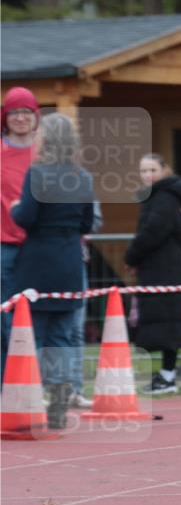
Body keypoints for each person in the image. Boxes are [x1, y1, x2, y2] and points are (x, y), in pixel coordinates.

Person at [10, 113, 94, 429]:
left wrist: (15, 207)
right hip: (70, 260)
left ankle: (32, 398)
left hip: (39, 260)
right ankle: (59, 402)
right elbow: (87, 222)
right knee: (61, 335)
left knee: (33, 333)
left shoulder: (38, 173)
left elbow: (27, 217)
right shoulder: (82, 176)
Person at [125, 154, 181, 394]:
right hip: (157, 267)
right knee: (163, 324)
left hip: (164, 269)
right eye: (143, 171)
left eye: (152, 170)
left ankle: (167, 376)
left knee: (168, 324)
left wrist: (131, 256)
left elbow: (153, 231)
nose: (147, 175)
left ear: (165, 170)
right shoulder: (159, 196)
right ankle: (165, 375)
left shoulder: (164, 197)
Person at [1, 87, 41, 383]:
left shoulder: (46, 155)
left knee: (40, 316)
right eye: (14, 112)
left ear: (35, 116)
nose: (20, 118)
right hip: (4, 246)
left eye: (26, 112)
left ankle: (36, 381)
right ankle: (8, 381)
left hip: (40, 247)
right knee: (5, 318)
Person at [69, 198, 104, 408]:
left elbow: (94, 221)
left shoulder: (82, 184)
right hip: (40, 259)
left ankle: (75, 390)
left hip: (75, 261)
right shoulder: (34, 181)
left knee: (75, 330)